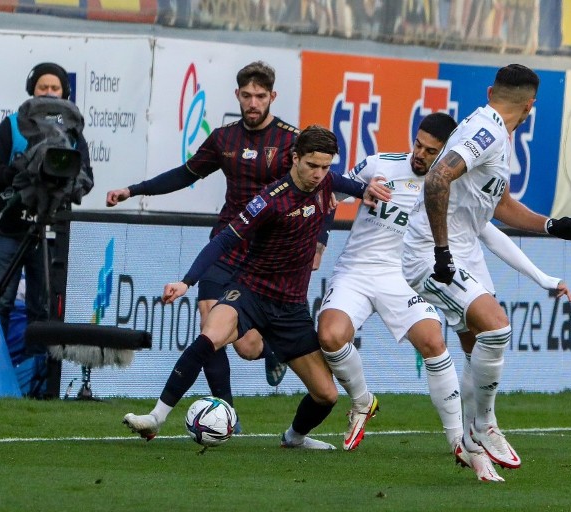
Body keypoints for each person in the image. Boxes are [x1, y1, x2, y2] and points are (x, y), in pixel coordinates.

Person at [319, 113, 571, 456]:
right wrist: (357, 193)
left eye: (429, 150)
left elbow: (491, 234)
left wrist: (544, 277)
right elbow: (328, 187)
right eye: (417, 144)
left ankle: (459, 441)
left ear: (446, 152)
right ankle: (363, 401)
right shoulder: (379, 164)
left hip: (406, 276)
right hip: (357, 271)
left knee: (434, 342)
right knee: (330, 336)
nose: (419, 154)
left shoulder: (450, 189)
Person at [122, 125, 391, 449]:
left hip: (291, 307)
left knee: (327, 395)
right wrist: (186, 281)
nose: (320, 174)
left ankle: (294, 439)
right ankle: (156, 418)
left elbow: (356, 187)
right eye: (312, 166)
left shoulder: (328, 182)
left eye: (325, 166)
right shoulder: (268, 200)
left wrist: (370, 190)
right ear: (295, 158)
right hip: (250, 292)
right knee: (210, 336)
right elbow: (223, 241)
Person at [401, 64, 571, 481]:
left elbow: (501, 206)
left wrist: (554, 226)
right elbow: (437, 179)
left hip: (458, 250)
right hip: (432, 252)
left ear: (493, 90)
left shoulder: (496, 135)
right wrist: (441, 251)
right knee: (498, 328)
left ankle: (474, 444)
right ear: (531, 106)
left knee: (477, 349)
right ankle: (484, 427)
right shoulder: (486, 132)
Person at [105, 61, 313, 404]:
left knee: (248, 348)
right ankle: (225, 412)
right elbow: (185, 174)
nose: (253, 103)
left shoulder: (292, 141)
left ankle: (272, 349)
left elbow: (318, 190)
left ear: (272, 96)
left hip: (268, 251)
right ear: (237, 95)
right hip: (228, 242)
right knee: (209, 325)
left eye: (260, 96)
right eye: (246, 95)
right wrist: (134, 190)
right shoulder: (224, 138)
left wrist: (317, 241)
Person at [0, 62, 94, 343]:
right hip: (11, 225)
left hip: (52, 229)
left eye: (55, 88)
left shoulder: (73, 132)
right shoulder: (12, 124)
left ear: (64, 92)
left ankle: (37, 376)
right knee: (2, 302)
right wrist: (19, 173)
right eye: (43, 87)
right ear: (32, 90)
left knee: (41, 307)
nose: (49, 92)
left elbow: (87, 179)